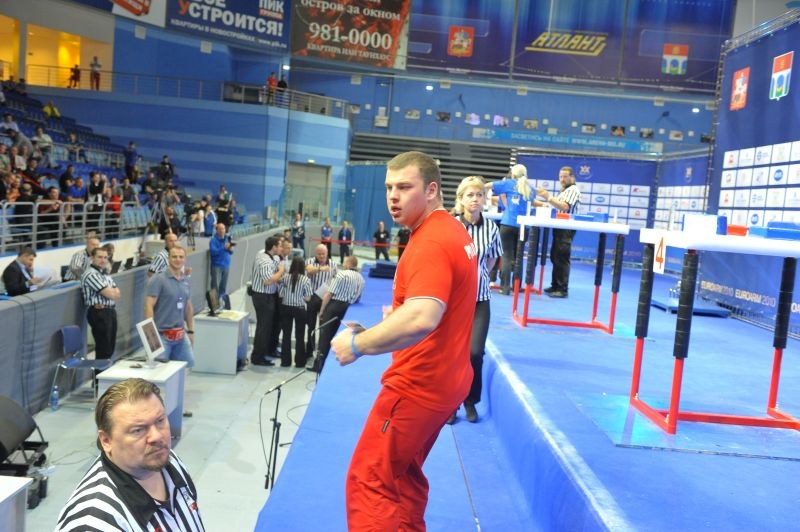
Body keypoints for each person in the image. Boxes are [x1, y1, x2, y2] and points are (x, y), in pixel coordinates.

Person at [329, 151, 477, 530]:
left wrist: (359, 345)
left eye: (404, 187)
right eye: (389, 188)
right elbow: (439, 307)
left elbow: (423, 316)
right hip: (448, 380)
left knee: (370, 480)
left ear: (431, 190)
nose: (393, 197)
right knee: (402, 476)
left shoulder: (430, 242)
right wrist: (393, 323)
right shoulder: (452, 231)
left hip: (419, 384)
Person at [55, 378, 204, 530]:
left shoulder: (170, 462)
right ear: (106, 440)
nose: (157, 437)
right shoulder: (94, 522)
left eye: (160, 421)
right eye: (138, 430)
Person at [447, 176, 503, 424]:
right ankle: (449, 404)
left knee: (475, 353)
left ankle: (470, 401)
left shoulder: (492, 228)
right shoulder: (451, 225)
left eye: (479, 195)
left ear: (484, 200)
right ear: (461, 199)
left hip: (480, 299)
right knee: (452, 353)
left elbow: (492, 260)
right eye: (470, 195)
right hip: (454, 301)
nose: (475, 199)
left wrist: (479, 277)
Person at [144, 246, 195, 367]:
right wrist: (151, 336)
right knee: (157, 372)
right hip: (161, 336)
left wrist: (191, 330)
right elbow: (148, 306)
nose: (178, 259)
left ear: (185, 260)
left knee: (187, 365)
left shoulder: (185, 281)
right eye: (174, 256)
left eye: (181, 257)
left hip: (181, 336)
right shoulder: (158, 279)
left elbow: (188, 307)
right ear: (168, 259)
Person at [485, 163, 532, 294]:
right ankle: (517, 287)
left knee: (506, 256)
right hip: (523, 226)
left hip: (507, 224)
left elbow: (488, 185)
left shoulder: (509, 183)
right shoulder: (530, 188)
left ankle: (504, 288)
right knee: (519, 257)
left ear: (513, 174)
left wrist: (478, 189)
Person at [314, 254, 365, 372]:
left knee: (325, 336)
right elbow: (358, 299)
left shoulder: (341, 274)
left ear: (348, 264)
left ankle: (319, 366)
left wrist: (322, 311)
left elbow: (329, 294)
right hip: (348, 309)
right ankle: (333, 366)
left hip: (334, 307)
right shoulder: (361, 279)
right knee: (340, 337)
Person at [537, 166, 582, 298]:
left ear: (572, 177)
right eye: (560, 176)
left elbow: (564, 206)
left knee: (562, 257)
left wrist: (548, 197)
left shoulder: (573, 190)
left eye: (565, 176)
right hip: (559, 226)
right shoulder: (564, 190)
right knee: (555, 256)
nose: (562, 179)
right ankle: (555, 285)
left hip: (566, 227)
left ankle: (562, 288)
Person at [249, 236, 284, 366]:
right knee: (263, 328)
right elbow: (268, 280)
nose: (281, 248)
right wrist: (280, 272)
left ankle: (267, 351)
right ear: (274, 247)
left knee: (269, 326)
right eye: (279, 245)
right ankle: (257, 357)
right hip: (262, 297)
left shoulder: (268, 255)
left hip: (269, 296)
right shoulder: (264, 261)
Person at [81, 247, 121, 360]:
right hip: (99, 313)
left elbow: (118, 294)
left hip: (110, 311)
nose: (103, 260)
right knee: (104, 349)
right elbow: (112, 294)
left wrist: (112, 292)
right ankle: (98, 377)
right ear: (92, 258)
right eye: (99, 257)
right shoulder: (91, 274)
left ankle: (103, 375)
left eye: (105, 257)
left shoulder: (105, 274)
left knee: (110, 347)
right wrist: (111, 292)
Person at [278, 256, 312, 367]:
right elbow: (308, 298)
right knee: (300, 336)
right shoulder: (306, 280)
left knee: (286, 335)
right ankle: (300, 362)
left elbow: (280, 294)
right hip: (300, 309)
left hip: (286, 308)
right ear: (303, 267)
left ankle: (285, 361)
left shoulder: (285, 278)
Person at [305, 243, 337, 356]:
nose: (322, 256)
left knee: (323, 327)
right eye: (319, 254)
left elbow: (336, 280)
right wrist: (320, 269)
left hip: (326, 299)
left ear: (327, 253)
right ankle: (309, 351)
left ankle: (320, 352)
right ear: (315, 254)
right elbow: (308, 271)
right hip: (313, 298)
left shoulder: (333, 264)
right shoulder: (310, 261)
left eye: (323, 254)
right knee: (311, 326)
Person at [209, 222, 234, 297]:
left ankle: (222, 301)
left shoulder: (228, 238)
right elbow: (213, 252)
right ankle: (214, 304)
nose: (222, 230)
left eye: (223, 228)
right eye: (220, 229)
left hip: (226, 265)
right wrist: (223, 248)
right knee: (214, 286)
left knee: (223, 286)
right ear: (216, 230)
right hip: (216, 266)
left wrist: (230, 248)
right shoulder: (213, 240)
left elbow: (231, 252)